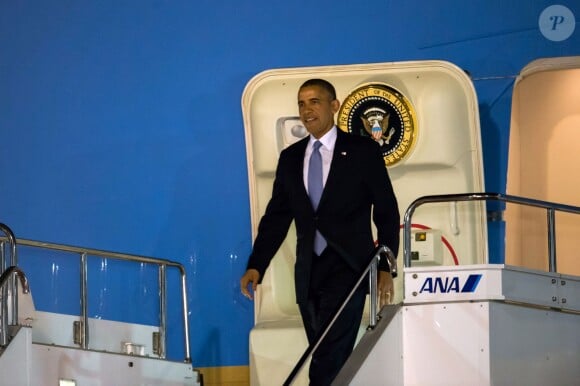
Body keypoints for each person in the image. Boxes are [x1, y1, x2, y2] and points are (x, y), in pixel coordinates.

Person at [240, 78, 400, 386]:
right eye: (301, 103)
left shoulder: (362, 151)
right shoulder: (290, 158)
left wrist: (385, 265)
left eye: (314, 101)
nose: (306, 109)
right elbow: (276, 218)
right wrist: (256, 264)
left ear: (334, 106)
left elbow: (386, 211)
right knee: (328, 354)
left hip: (349, 269)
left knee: (327, 356)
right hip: (309, 273)